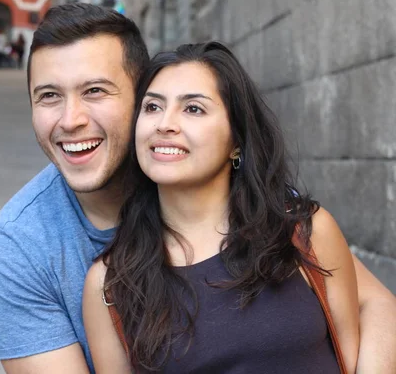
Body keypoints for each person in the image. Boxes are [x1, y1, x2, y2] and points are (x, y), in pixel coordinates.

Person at [0, 3, 396, 374]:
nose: (71, 119)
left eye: (95, 91)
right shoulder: (25, 246)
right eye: (49, 96)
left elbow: (371, 305)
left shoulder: (241, 195)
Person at [83, 42, 359, 373]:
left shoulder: (304, 232)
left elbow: (353, 357)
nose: (164, 124)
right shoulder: (111, 281)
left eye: (193, 109)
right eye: (152, 107)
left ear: (237, 140)